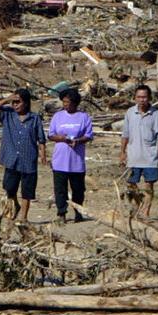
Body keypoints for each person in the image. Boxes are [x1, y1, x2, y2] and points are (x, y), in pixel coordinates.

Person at [0, 89, 46, 222]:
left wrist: (43, 154)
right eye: (13, 102)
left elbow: (41, 138)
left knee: (27, 191)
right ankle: (16, 205)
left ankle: (23, 217)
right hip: (11, 159)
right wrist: (7, 99)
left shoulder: (34, 118)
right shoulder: (8, 115)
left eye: (18, 102)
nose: (15, 105)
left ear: (26, 103)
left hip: (28, 159)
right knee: (9, 187)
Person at [47, 87, 94, 223]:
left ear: (75, 103)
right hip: (60, 160)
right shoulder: (58, 116)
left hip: (76, 161)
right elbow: (51, 135)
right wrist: (61, 138)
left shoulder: (84, 117)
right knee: (60, 189)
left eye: (68, 102)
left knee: (78, 189)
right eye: (64, 102)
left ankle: (78, 212)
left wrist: (78, 141)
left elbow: (89, 135)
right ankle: (61, 212)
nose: (66, 105)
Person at [119, 84, 158, 219]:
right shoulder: (130, 113)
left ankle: (146, 211)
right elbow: (125, 134)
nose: (142, 100)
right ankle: (138, 205)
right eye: (139, 97)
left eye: (144, 97)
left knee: (149, 185)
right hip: (133, 156)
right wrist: (122, 153)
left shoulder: (155, 114)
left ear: (149, 98)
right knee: (131, 183)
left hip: (150, 156)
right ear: (135, 98)